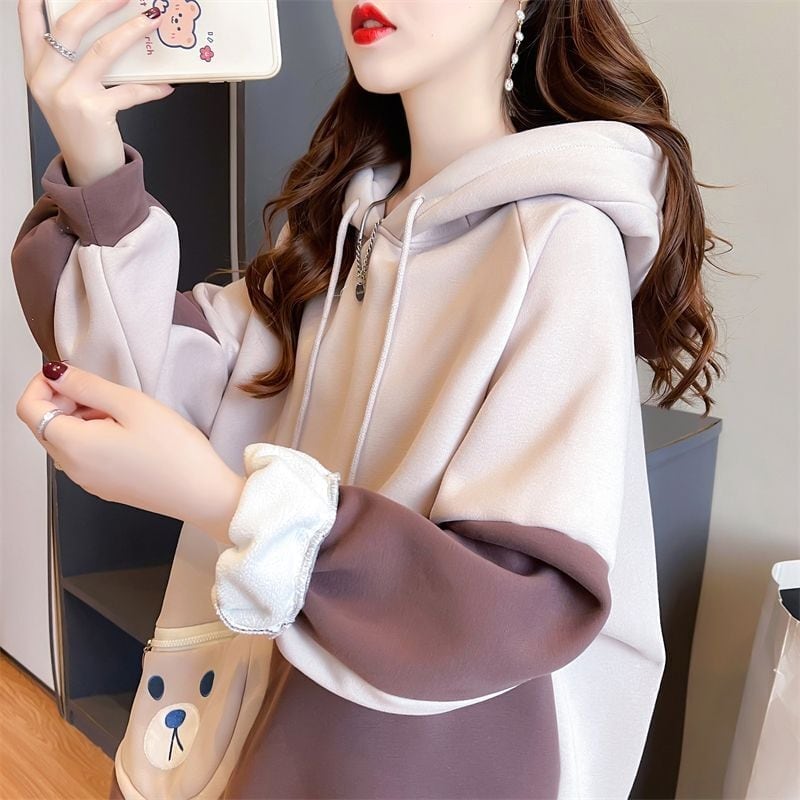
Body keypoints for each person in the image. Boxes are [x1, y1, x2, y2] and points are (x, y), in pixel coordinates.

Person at [12, 0, 727, 797]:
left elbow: (513, 606)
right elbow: (147, 377)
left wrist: (221, 501)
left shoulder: (561, 242)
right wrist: (91, 153)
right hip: (240, 728)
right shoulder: (343, 220)